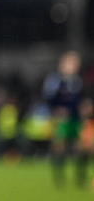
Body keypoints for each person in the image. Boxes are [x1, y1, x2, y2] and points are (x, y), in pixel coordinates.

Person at [42, 49, 86, 189]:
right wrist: (57, 110)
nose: (74, 65)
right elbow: (49, 98)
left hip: (76, 119)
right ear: (63, 64)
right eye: (71, 62)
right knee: (60, 147)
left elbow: (82, 99)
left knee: (82, 148)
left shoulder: (78, 81)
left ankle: (80, 179)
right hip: (61, 120)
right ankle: (59, 180)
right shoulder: (55, 80)